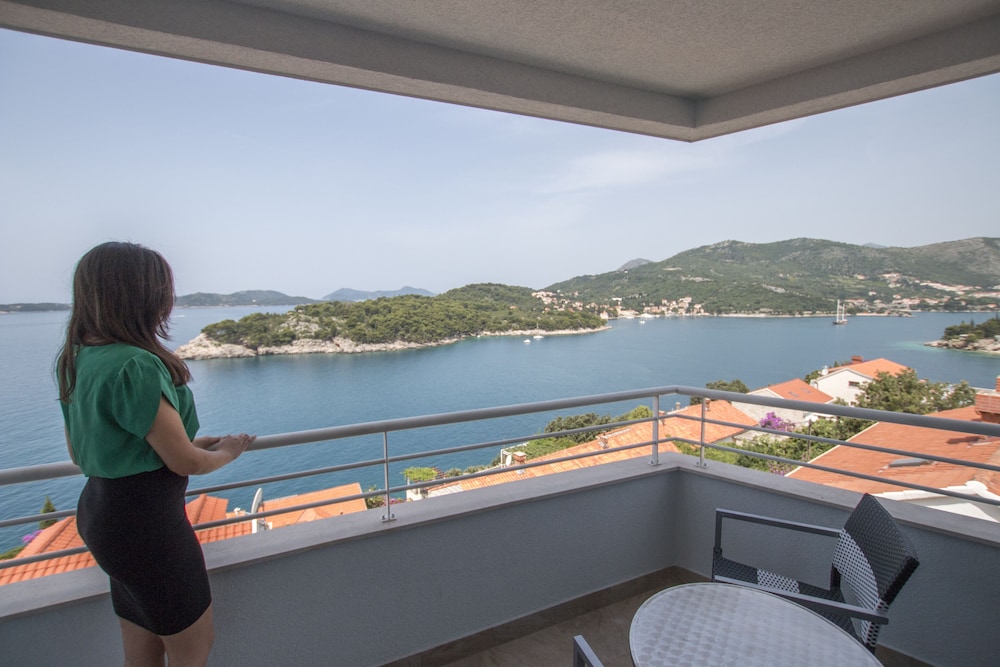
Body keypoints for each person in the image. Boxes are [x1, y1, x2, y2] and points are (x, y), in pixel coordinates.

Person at [57, 242, 255, 667]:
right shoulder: (136, 363)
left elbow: (86, 451)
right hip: (148, 526)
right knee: (193, 647)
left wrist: (183, 444)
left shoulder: (77, 358)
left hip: (103, 515)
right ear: (145, 296)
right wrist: (229, 451)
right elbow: (185, 463)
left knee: (142, 647)